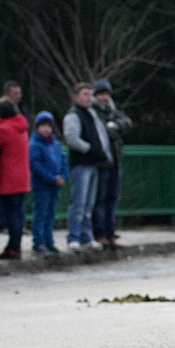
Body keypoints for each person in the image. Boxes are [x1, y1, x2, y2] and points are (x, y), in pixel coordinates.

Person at [63, 82, 112, 252]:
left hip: (93, 164)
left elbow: (101, 135)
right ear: (76, 97)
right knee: (79, 203)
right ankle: (74, 237)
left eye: (90, 94)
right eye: (85, 94)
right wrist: (90, 149)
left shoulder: (92, 114)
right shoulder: (73, 115)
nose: (89, 98)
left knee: (89, 204)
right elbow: (71, 137)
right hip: (81, 164)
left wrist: (103, 153)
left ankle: (87, 235)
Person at [91, 78, 133, 249]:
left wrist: (114, 126)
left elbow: (127, 123)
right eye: (101, 94)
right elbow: (102, 133)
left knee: (112, 199)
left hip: (115, 161)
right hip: (101, 163)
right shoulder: (93, 112)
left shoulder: (113, 111)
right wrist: (114, 130)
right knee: (99, 199)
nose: (104, 97)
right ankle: (99, 233)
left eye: (106, 94)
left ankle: (110, 233)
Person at [0, 98, 31, 260]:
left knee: (10, 215)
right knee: (18, 214)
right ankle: (15, 245)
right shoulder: (22, 126)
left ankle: (13, 247)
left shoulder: (2, 129)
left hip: (8, 176)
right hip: (22, 177)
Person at [29, 111, 69, 255]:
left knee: (51, 213)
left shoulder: (56, 144)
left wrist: (63, 176)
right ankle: (39, 242)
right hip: (42, 185)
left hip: (55, 184)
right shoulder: (35, 145)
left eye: (48, 126)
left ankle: (49, 242)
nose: (46, 129)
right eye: (43, 126)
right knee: (41, 213)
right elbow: (35, 165)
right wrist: (52, 177)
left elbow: (64, 160)